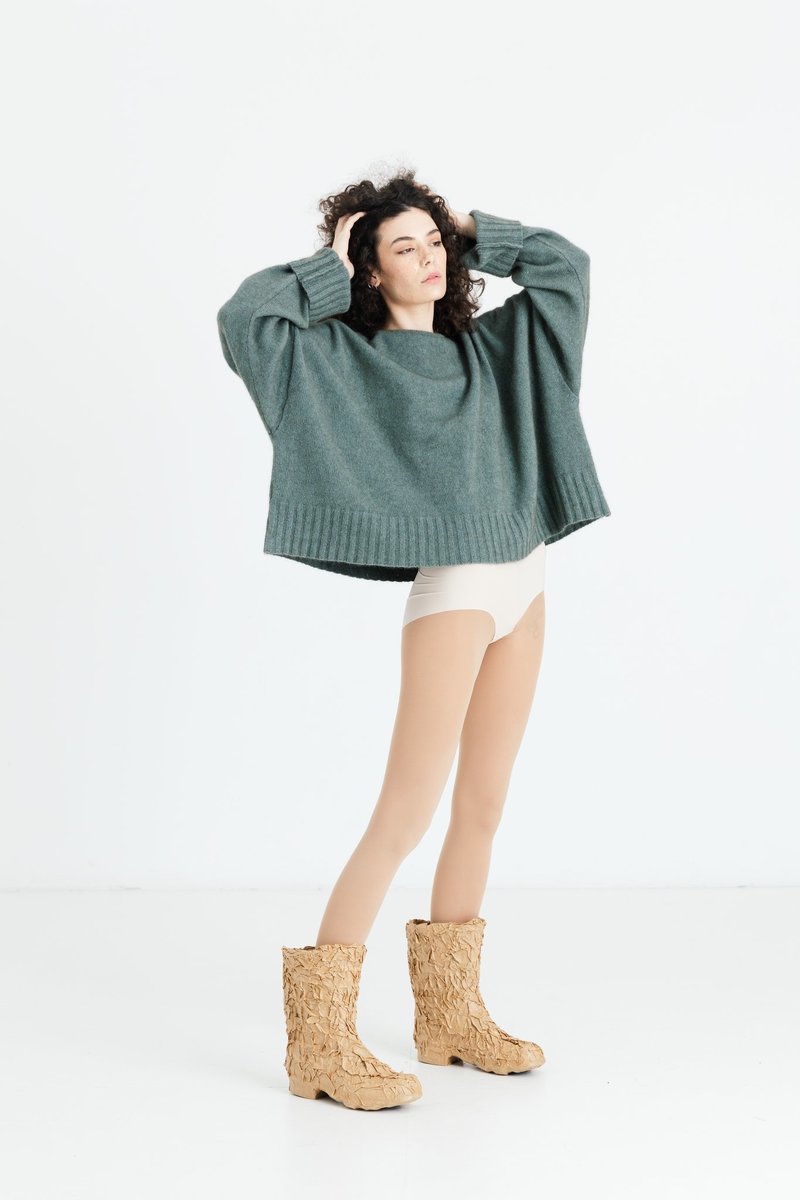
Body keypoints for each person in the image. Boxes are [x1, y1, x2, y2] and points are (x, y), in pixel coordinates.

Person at [216, 169, 611, 1110]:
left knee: (484, 805)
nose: (430, 259)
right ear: (368, 268)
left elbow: (567, 269)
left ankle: (450, 1016)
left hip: (525, 581)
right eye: (405, 247)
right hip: (456, 592)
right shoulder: (338, 361)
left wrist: (473, 228)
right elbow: (244, 320)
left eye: (435, 244)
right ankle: (319, 1044)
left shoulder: (498, 349)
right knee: (405, 812)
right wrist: (327, 262)